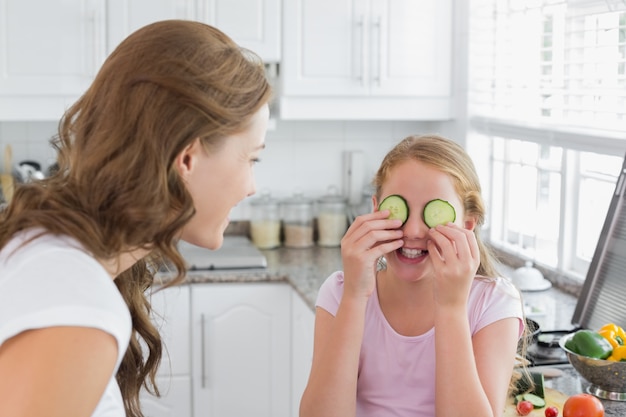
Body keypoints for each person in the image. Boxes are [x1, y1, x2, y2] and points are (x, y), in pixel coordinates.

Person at [0, 20, 271, 417]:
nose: (251, 187)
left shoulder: (51, 252)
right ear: (188, 158)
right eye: (252, 158)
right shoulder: (79, 306)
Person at [300, 135, 525, 417]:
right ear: (375, 210)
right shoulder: (339, 292)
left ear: (467, 225)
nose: (414, 230)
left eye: (434, 213)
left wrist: (451, 306)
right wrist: (355, 296)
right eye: (399, 209)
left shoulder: (493, 303)